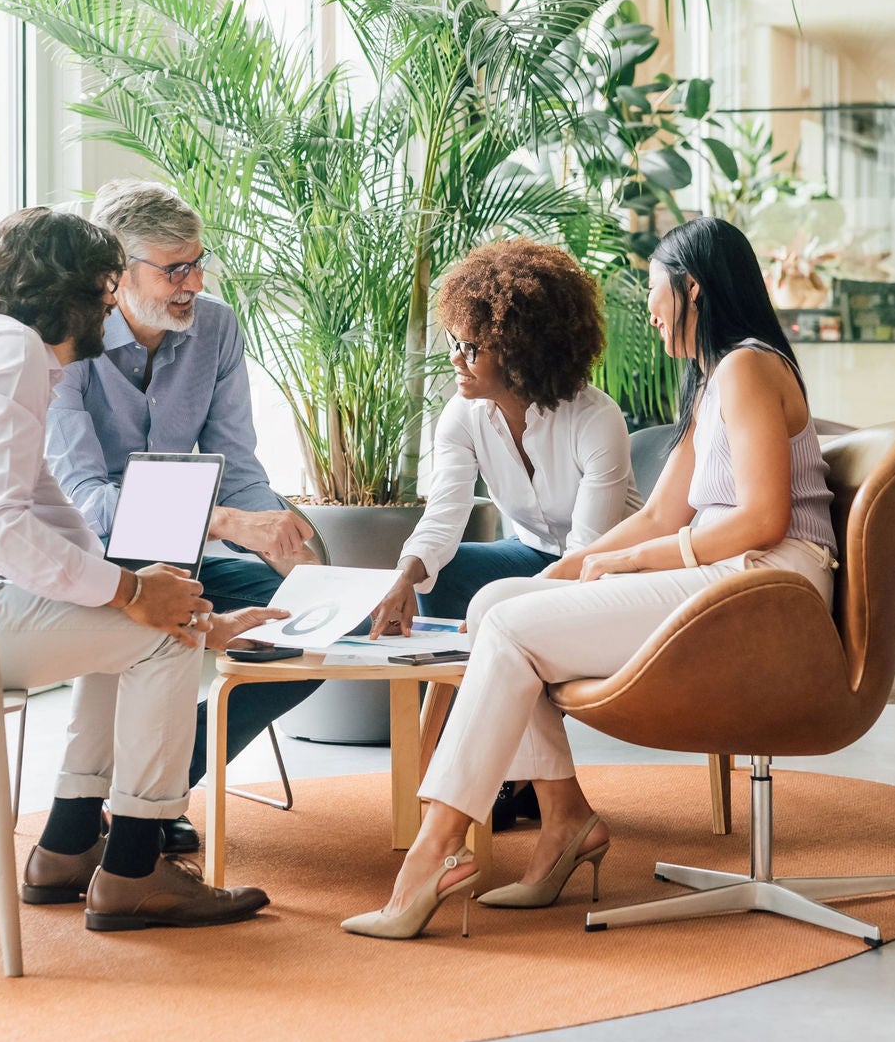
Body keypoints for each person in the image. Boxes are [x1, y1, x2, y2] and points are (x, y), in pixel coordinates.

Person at [343, 217, 837, 939]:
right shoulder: (717, 380)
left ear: (692, 287)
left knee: (510, 625)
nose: (652, 307)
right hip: (729, 575)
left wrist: (627, 560)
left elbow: (763, 516)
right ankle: (566, 819)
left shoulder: (749, 366)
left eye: (656, 290)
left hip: (767, 586)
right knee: (493, 606)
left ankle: (431, 855)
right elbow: (665, 510)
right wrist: (576, 568)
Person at [0, 207, 278, 932]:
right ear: (72, 290)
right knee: (152, 633)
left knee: (132, 622)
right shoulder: (11, 351)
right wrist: (137, 595)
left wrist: (179, 609)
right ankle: (133, 868)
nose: (110, 301)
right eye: (104, 284)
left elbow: (51, 513)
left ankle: (66, 848)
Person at [45, 179, 322, 855]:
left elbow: (240, 465)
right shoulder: (68, 339)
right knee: (165, 618)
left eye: (196, 262)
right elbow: (88, 504)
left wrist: (297, 558)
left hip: (188, 561)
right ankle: (140, 811)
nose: (191, 282)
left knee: (308, 632)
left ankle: (155, 785)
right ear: (116, 273)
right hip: (96, 568)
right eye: (173, 268)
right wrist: (225, 522)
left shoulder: (217, 327)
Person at [365, 238, 640, 639]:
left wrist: (503, 609)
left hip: (610, 569)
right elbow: (443, 517)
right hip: (533, 553)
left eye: (470, 347)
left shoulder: (595, 419)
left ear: (521, 350)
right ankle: (451, 684)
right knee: (440, 572)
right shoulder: (462, 416)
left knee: (506, 605)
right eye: (452, 341)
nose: (455, 358)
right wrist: (404, 576)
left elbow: (584, 555)